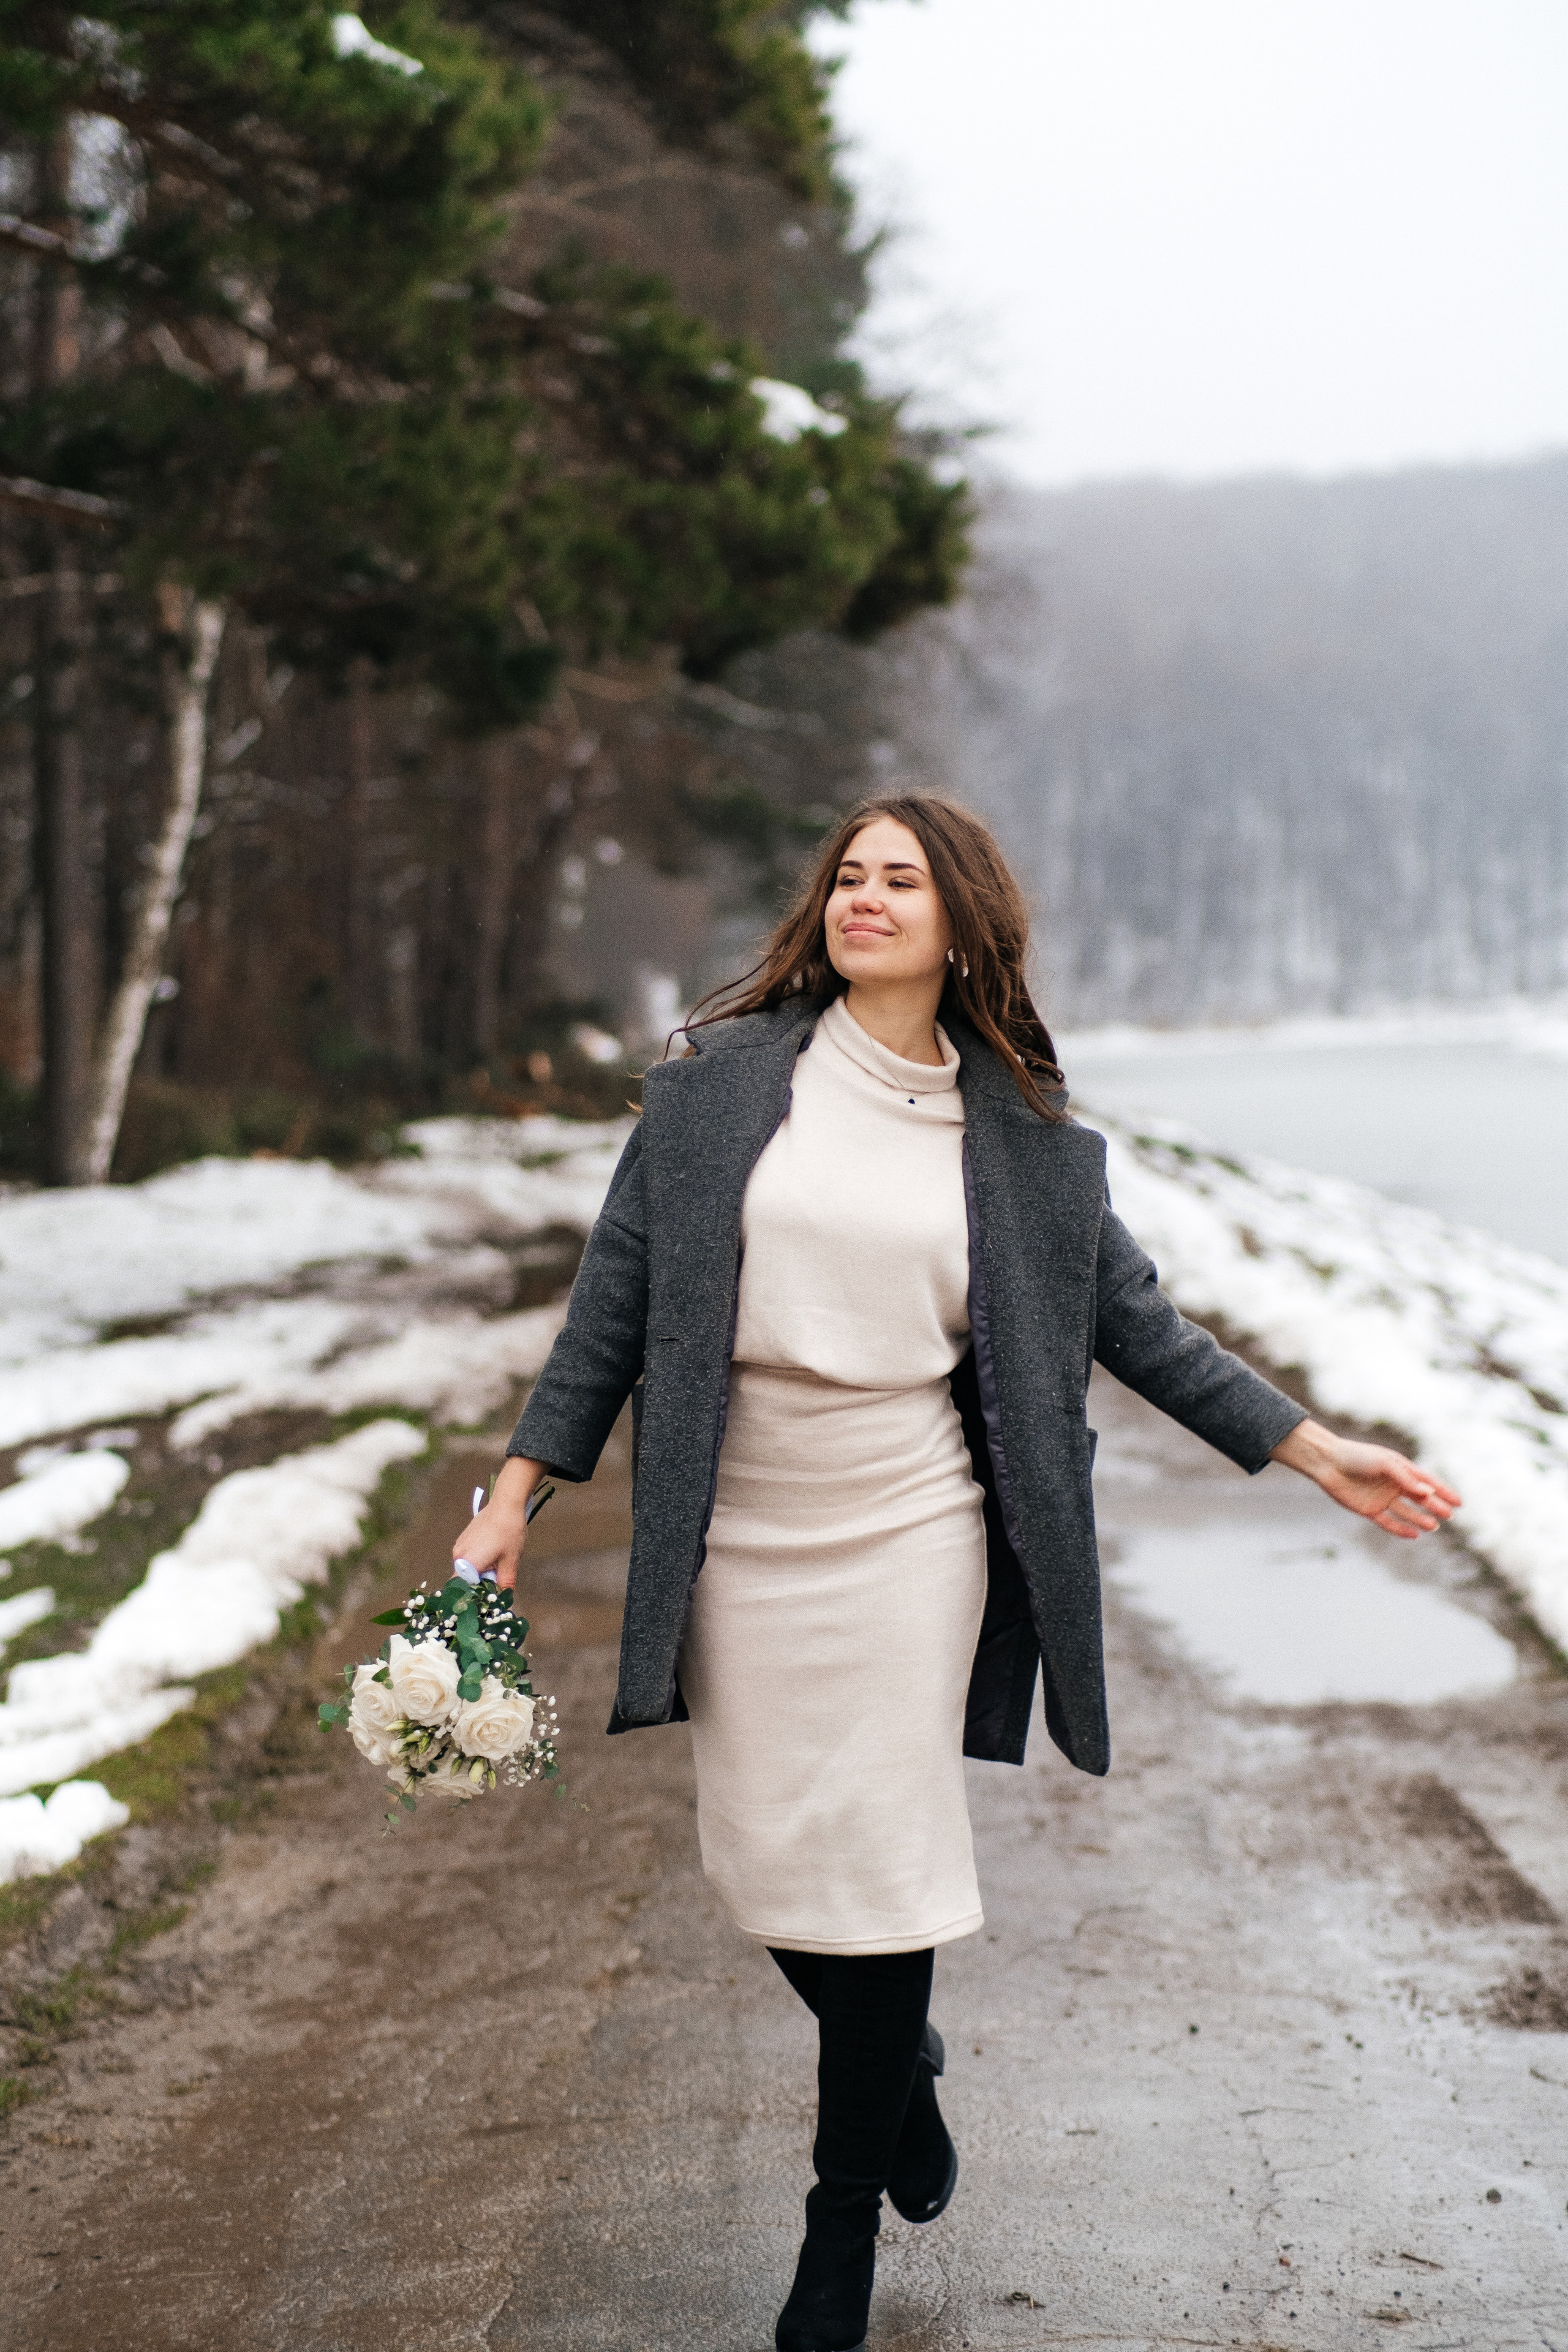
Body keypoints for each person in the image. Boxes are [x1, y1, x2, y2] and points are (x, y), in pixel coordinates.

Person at [454, 794, 1460, 2352]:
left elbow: (1138, 1327)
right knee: (769, 1865)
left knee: (877, 1858)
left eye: (898, 881)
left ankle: (835, 2232)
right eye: (846, 878)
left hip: (910, 1525)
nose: (863, 900)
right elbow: (613, 1307)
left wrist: (1318, 1453)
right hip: (738, 1524)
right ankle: (898, 2072)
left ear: (958, 921)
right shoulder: (717, 1090)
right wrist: (514, 1494)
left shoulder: (1028, 1144)